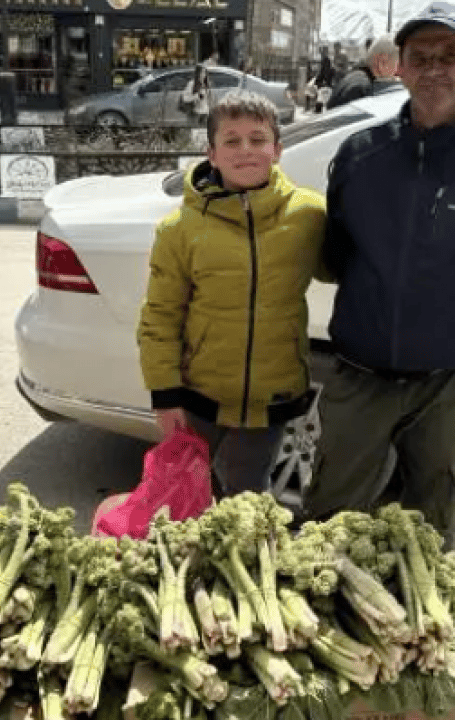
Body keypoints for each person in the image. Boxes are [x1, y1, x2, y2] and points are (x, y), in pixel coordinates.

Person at [302, 1, 455, 542]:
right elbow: (339, 254)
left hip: (449, 383)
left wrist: (454, 322)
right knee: (328, 523)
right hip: (359, 373)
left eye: (449, 56)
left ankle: (414, 628)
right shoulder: (361, 156)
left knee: (431, 529)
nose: (434, 69)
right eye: (421, 57)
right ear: (400, 68)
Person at [137, 91, 327, 497]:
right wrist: (165, 396)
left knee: (248, 496)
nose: (246, 151)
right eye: (232, 140)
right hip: (198, 396)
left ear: (277, 150)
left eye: (258, 140)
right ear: (212, 153)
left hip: (270, 398)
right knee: (185, 497)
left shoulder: (310, 215)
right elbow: (160, 316)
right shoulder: (180, 228)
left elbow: (342, 267)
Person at [326, 33, 400, 110]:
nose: (398, 73)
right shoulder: (362, 90)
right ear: (382, 62)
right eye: (398, 65)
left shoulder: (356, 76)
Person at [312, 47, 335, 112]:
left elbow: (320, 77)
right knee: (321, 97)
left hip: (325, 87)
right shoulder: (331, 69)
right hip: (328, 87)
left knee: (320, 97)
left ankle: (318, 110)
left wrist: (319, 83)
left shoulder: (324, 68)